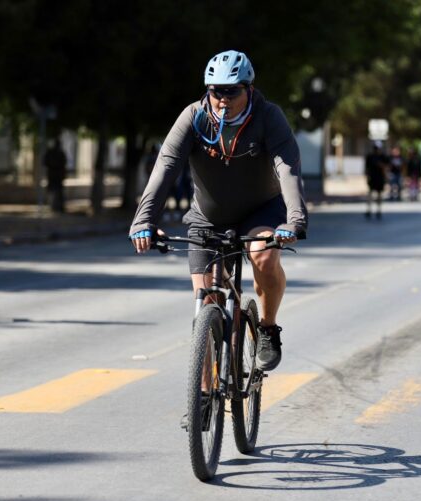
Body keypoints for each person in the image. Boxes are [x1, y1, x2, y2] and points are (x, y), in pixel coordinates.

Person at [129, 50, 307, 372]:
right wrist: (144, 220)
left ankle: (267, 328)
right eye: (215, 91)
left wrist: (294, 220)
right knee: (206, 303)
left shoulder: (268, 117)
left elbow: (288, 168)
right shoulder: (194, 117)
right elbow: (166, 166)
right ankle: (203, 400)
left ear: (248, 89)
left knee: (264, 256)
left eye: (231, 90)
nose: (222, 99)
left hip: (261, 211)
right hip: (207, 217)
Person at [43, 139, 68, 213]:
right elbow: (45, 162)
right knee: (55, 191)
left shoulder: (58, 153)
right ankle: (55, 206)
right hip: (55, 175)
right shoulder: (55, 153)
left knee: (57, 192)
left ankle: (58, 207)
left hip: (56, 176)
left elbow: (64, 163)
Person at [365, 142, 387, 218]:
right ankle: (369, 210)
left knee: (379, 194)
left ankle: (379, 210)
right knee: (370, 194)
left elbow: (386, 167)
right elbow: (366, 168)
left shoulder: (383, 157)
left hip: (380, 178)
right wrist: (367, 177)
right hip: (372, 177)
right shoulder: (370, 157)